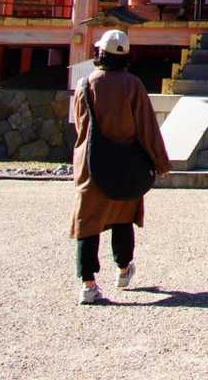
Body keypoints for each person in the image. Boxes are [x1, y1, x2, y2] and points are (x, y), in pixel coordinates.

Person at [72, 30, 171, 305]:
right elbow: (146, 127)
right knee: (123, 215)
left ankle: (88, 284)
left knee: (88, 222)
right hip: (127, 160)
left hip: (92, 163)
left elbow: (80, 126)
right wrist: (160, 162)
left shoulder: (85, 84)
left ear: (100, 52)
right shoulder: (133, 85)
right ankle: (123, 269)